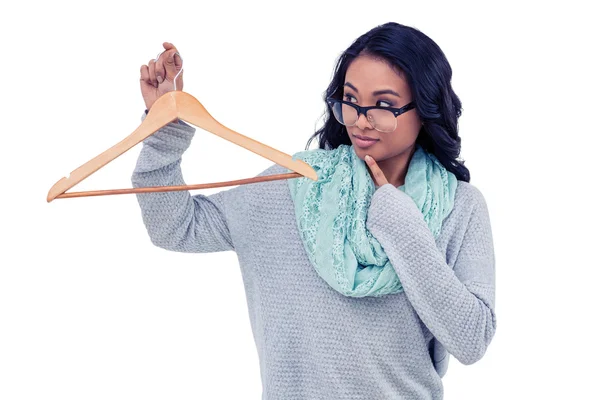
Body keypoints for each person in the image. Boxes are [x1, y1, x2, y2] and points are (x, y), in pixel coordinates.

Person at [133, 22, 496, 400]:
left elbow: (472, 340)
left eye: (384, 106)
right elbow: (175, 226)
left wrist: (401, 224)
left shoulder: (461, 207)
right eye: (351, 101)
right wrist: (164, 129)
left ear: (425, 108)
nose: (359, 119)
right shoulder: (294, 187)